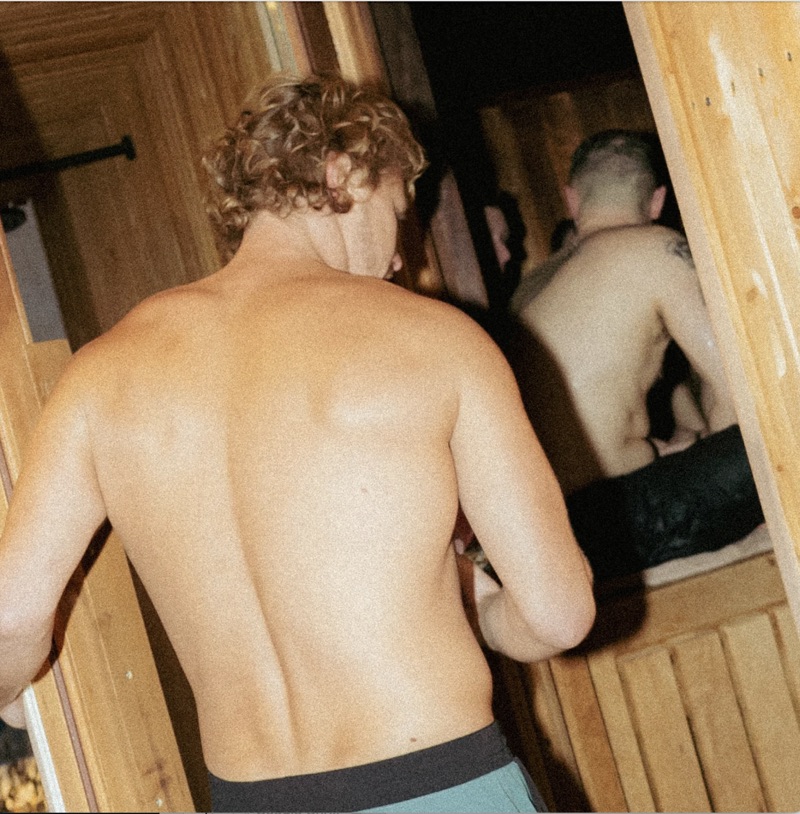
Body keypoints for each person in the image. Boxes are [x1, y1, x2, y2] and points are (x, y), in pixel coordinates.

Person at [0, 75, 595, 813]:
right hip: (437, 783)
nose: (399, 259)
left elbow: (9, 622)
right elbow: (559, 613)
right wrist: (478, 605)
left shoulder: (97, 377)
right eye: (397, 213)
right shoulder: (434, 339)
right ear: (343, 172)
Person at [509, 129, 763, 580]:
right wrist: (717, 462)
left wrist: (667, 454)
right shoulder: (656, 248)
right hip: (627, 521)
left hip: (554, 527)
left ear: (571, 200)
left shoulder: (528, 289)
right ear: (657, 200)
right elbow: (737, 388)